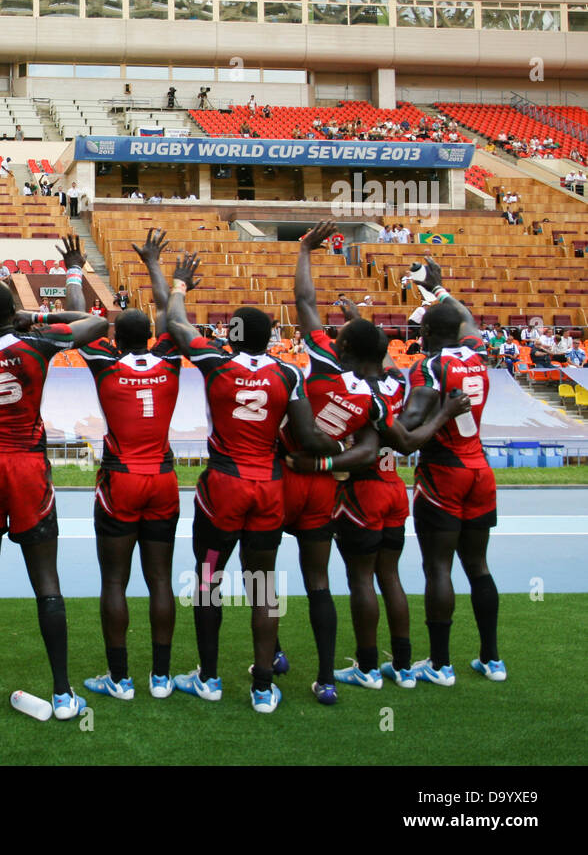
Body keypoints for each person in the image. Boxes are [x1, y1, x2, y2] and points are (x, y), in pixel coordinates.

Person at [281, 227, 469, 703]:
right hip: (394, 491)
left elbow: (305, 303)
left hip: (354, 491)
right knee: (392, 577)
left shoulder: (329, 365)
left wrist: (305, 251)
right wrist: (445, 413)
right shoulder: (394, 387)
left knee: (355, 579)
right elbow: (402, 440)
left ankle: (362, 665)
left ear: (343, 349)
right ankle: (403, 666)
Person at [160, 251, 341, 714]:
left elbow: (176, 324)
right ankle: (263, 686)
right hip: (269, 490)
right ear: (270, 337)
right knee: (262, 585)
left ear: (232, 335)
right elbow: (307, 437)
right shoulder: (289, 372)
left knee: (208, 581)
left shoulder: (215, 363)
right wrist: (348, 451)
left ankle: (209, 678)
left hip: (224, 488)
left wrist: (179, 284)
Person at [0, 234, 109, 720]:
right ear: (15, 309)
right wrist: (36, 314)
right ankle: (61, 693)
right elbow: (95, 323)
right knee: (47, 581)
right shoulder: (37, 343)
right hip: (29, 466)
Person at [74, 230, 183, 700]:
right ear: (153, 338)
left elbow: (82, 320)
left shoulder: (105, 365)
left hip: (120, 481)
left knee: (114, 580)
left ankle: (119, 679)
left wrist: (76, 270)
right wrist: (158, 267)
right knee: (161, 579)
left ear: (116, 338)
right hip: (162, 479)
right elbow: (171, 319)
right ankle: (160, 677)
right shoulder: (172, 361)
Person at [397, 258, 505, 686]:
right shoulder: (478, 355)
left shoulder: (428, 367)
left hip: (444, 472)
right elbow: (468, 317)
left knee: (438, 568)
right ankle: (491, 659)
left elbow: (409, 427)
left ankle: (440, 664)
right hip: (480, 469)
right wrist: (438, 289)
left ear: (425, 335)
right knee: (478, 565)